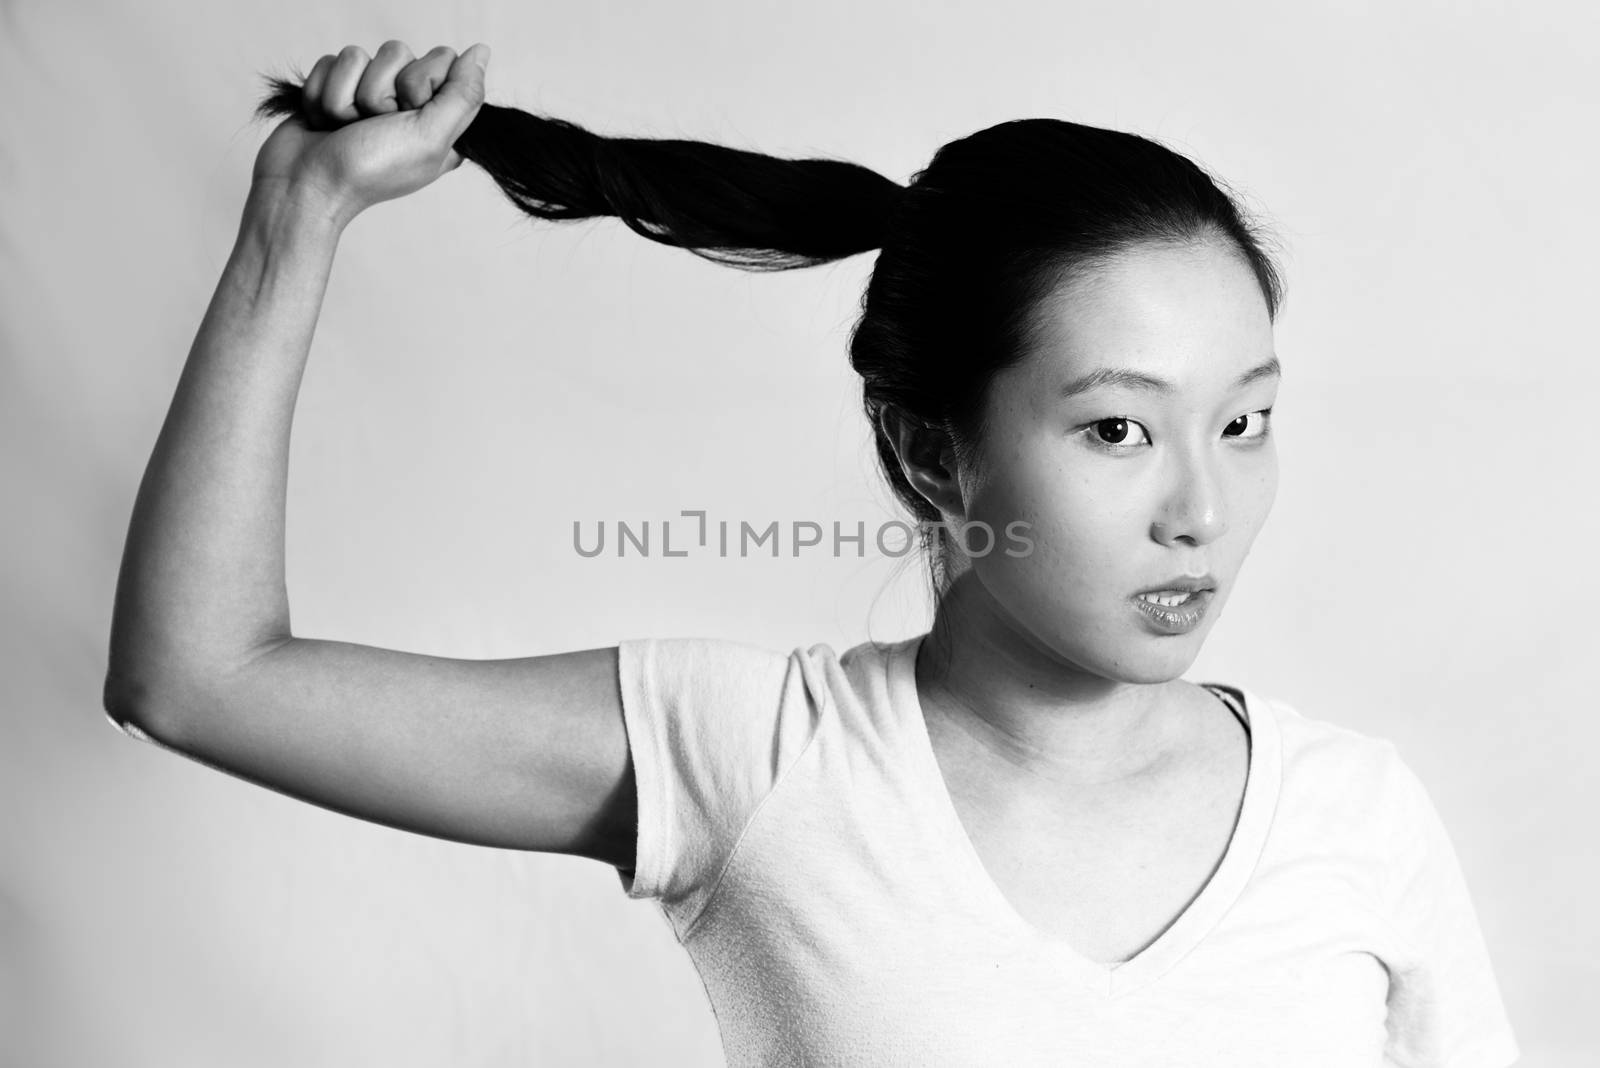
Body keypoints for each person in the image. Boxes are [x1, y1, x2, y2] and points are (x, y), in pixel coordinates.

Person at [103, 40, 1520, 1067]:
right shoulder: (764, 761)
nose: (1203, 508)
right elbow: (199, 677)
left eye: (1249, 419)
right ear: (931, 453)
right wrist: (294, 225)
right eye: (1115, 431)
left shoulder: (1356, 818)